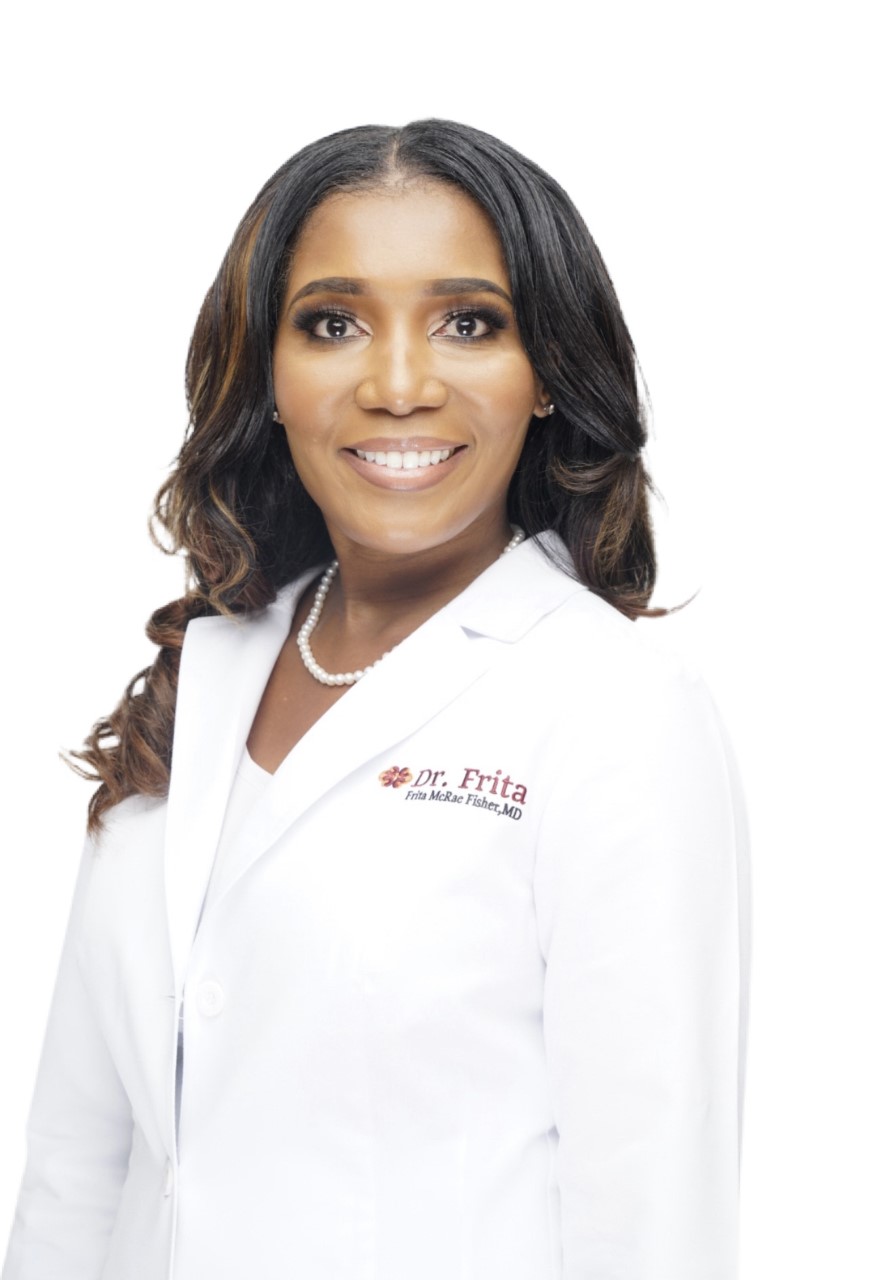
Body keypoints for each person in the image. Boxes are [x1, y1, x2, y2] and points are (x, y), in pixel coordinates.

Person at [2, 119, 751, 1280]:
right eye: (332, 323)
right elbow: (75, 1166)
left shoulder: (615, 707)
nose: (398, 385)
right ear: (267, 373)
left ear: (546, 375)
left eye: (468, 323)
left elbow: (648, 1214)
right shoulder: (205, 672)